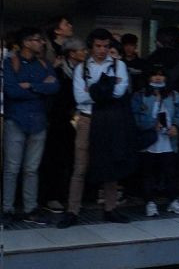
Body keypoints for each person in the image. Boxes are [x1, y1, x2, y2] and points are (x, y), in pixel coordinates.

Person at [58, 28, 133, 228]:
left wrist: (93, 88)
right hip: (87, 119)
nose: (102, 50)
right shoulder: (81, 68)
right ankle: (72, 210)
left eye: (106, 46)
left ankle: (110, 208)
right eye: (98, 46)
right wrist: (105, 88)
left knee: (110, 164)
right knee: (80, 166)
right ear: (91, 47)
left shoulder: (119, 66)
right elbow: (79, 98)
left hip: (108, 119)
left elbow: (119, 92)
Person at [2, 27, 60, 225]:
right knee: (12, 167)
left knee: (31, 168)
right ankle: (7, 208)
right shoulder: (11, 62)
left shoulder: (44, 63)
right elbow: (11, 91)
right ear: (26, 42)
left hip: (37, 120)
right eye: (37, 40)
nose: (42, 43)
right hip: (16, 119)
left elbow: (55, 87)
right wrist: (41, 87)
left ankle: (29, 208)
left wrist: (31, 85)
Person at [133, 64, 179, 217]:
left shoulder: (173, 95)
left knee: (171, 172)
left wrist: (177, 126)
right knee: (148, 173)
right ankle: (149, 202)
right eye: (154, 75)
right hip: (148, 140)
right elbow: (135, 118)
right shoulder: (140, 95)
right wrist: (151, 124)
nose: (158, 78)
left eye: (161, 75)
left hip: (168, 140)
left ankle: (173, 200)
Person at [40, 38, 86, 214]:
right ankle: (52, 196)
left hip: (76, 120)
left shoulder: (83, 71)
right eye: (81, 50)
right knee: (55, 160)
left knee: (73, 160)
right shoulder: (59, 71)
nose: (85, 53)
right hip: (59, 121)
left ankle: (69, 195)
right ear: (71, 53)